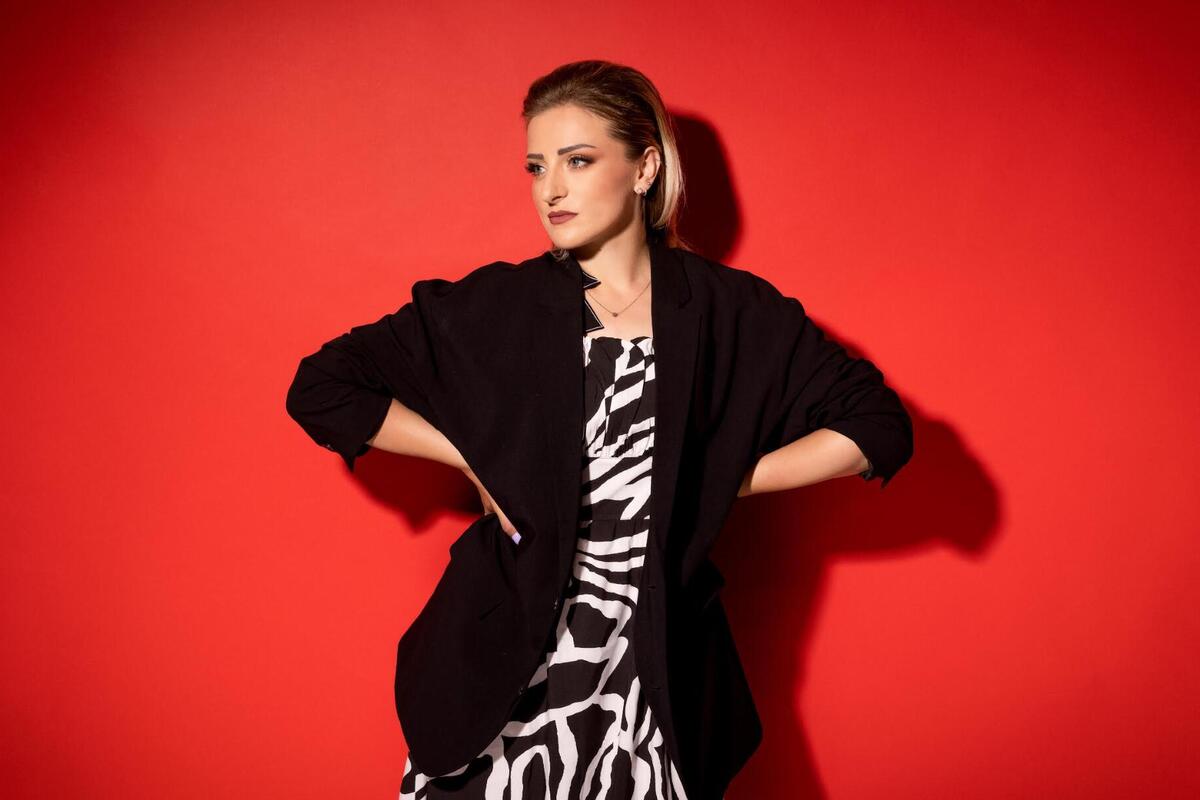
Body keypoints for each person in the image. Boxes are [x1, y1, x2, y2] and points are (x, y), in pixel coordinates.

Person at [285, 59, 913, 800]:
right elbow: (321, 387)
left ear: (645, 168)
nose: (550, 189)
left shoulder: (730, 312)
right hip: (504, 678)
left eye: (578, 161)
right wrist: (474, 458)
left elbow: (878, 427)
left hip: (654, 687)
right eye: (536, 167)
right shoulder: (498, 306)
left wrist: (718, 477)